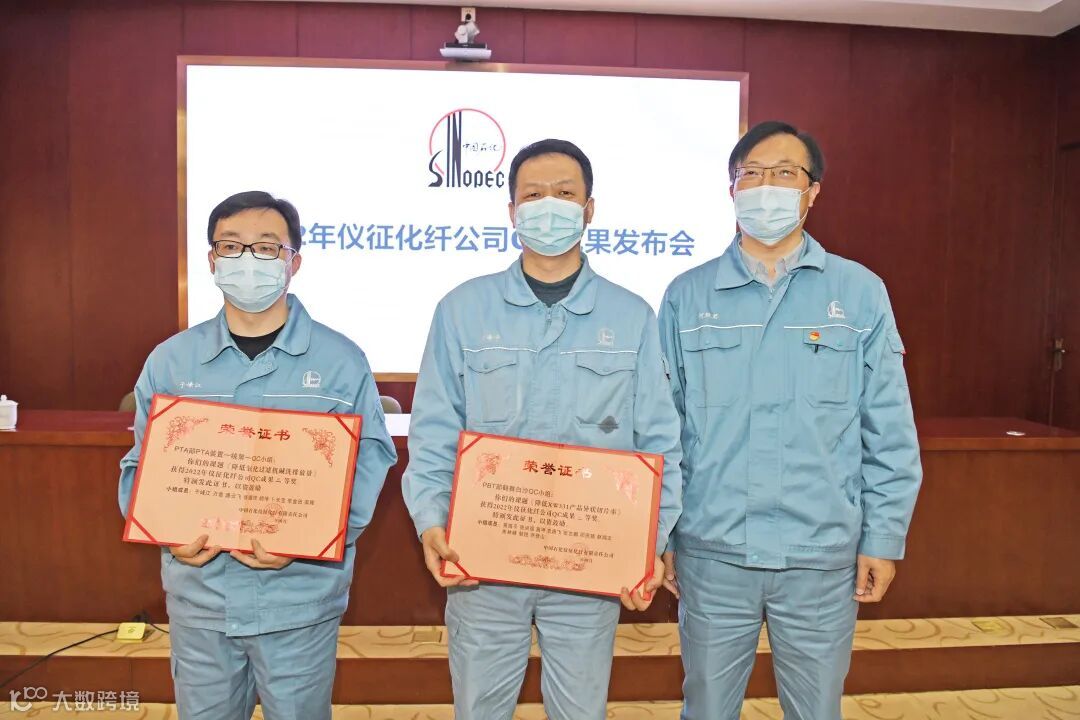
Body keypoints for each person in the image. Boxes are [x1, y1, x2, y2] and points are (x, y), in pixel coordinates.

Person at [402, 138, 682, 720]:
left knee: (580, 711)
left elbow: (659, 442)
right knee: (479, 709)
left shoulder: (631, 316)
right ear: (511, 211)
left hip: (589, 562)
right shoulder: (462, 310)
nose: (548, 205)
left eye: (564, 193)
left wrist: (649, 543)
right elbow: (434, 430)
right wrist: (430, 521)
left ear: (589, 209)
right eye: (532, 195)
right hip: (483, 562)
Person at [658, 121, 922, 720]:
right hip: (713, 550)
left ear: (812, 191)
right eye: (751, 174)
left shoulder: (859, 293)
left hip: (820, 553)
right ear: (731, 189)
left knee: (816, 709)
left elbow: (888, 427)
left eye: (784, 174)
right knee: (705, 706)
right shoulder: (686, 296)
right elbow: (662, 431)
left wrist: (883, 537)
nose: (766, 187)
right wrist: (662, 535)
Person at [118, 190, 397, 720]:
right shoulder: (171, 362)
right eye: (231, 246)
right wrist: (166, 531)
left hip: (299, 599)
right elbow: (140, 466)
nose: (248, 260)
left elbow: (370, 461)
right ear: (211, 260)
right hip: (202, 598)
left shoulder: (341, 362)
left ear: (294, 261)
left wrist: (309, 539)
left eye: (267, 248)